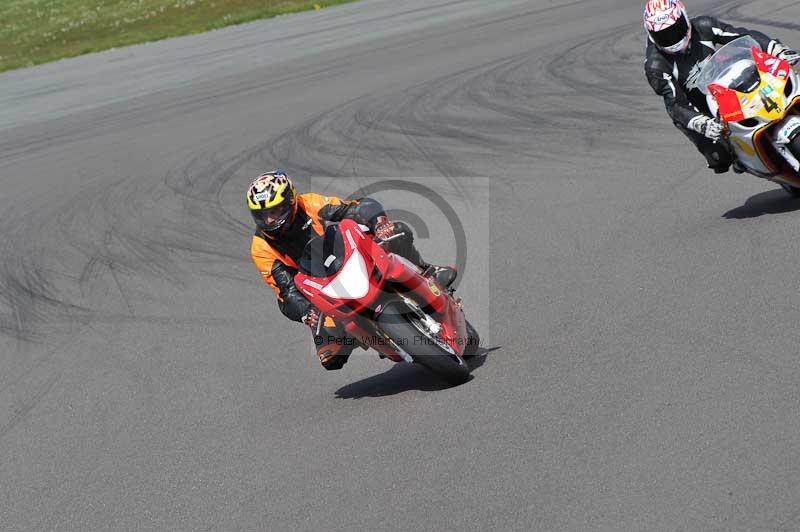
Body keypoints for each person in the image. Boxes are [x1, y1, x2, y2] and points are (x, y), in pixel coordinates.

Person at [248, 171, 457, 371]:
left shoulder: (310, 203)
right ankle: (375, 336)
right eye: (262, 215)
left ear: (290, 202)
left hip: (346, 256)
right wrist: (305, 312)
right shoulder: (261, 248)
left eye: (274, 212)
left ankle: (427, 271)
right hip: (319, 288)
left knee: (398, 232)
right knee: (330, 357)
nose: (269, 221)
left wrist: (379, 222)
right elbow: (285, 291)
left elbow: (354, 208)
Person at [643, 0, 799, 173]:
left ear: (685, 19)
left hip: (729, 84)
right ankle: (744, 158)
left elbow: (743, 36)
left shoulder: (704, 26)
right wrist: (699, 122)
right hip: (700, 110)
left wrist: (776, 50)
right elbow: (674, 104)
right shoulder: (656, 66)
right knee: (719, 158)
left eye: (675, 30)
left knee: (786, 81)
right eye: (664, 36)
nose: (672, 39)